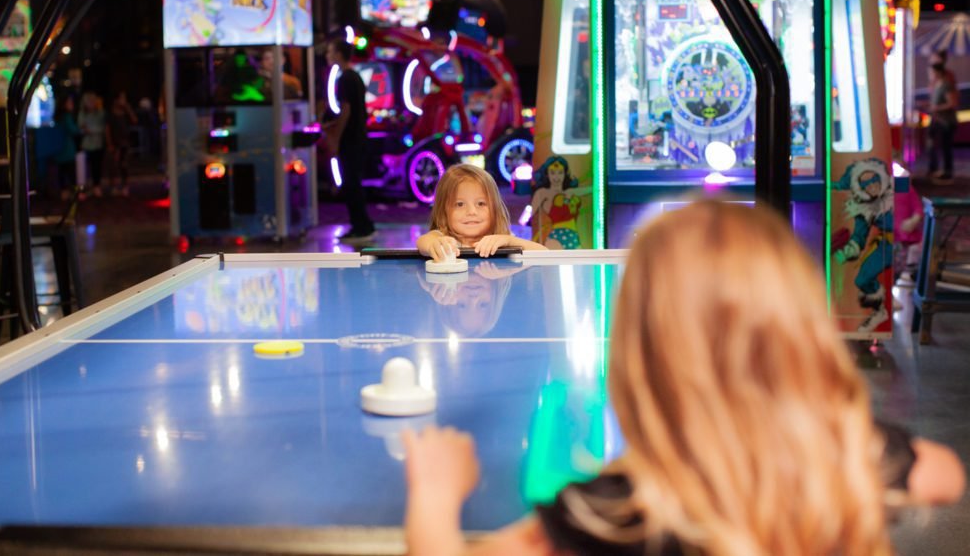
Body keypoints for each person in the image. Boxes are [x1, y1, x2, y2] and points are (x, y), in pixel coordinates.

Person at [404, 200, 965, 556]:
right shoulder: (838, 466)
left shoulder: (608, 513)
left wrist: (434, 494)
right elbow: (945, 475)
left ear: (639, 350)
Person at [417, 164, 546, 261]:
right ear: (443, 211)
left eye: (481, 204)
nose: (472, 212)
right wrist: (434, 245)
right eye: (460, 204)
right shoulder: (443, 237)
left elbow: (544, 254)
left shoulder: (500, 239)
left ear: (494, 209)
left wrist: (509, 241)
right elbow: (424, 242)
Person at [322, 39, 375, 242]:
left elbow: (346, 110)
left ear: (338, 54)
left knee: (351, 184)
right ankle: (362, 225)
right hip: (358, 136)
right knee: (353, 183)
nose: (327, 55)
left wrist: (336, 135)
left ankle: (361, 227)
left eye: (330, 51)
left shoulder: (345, 78)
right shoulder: (355, 76)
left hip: (351, 139)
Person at [924, 50, 958, 185]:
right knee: (935, 144)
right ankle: (937, 169)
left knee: (945, 147)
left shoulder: (946, 83)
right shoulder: (937, 84)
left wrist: (935, 108)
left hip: (946, 121)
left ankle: (947, 172)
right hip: (938, 120)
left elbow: (952, 103)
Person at [106, 91, 138, 196]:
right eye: (122, 98)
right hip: (115, 143)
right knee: (114, 165)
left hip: (124, 142)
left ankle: (125, 186)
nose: (123, 101)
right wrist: (110, 144)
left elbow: (135, 120)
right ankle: (113, 186)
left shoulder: (125, 113)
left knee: (124, 164)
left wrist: (128, 108)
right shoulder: (111, 114)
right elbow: (107, 130)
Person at [77, 91, 107, 197]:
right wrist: (91, 130)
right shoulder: (82, 114)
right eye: (89, 101)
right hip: (86, 145)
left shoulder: (100, 113)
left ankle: (96, 186)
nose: (91, 103)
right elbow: (82, 128)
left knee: (97, 166)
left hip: (98, 144)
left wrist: (91, 130)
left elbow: (102, 128)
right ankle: (84, 188)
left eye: (93, 101)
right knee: (85, 168)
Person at [54, 95, 80, 200]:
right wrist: (82, 130)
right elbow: (73, 130)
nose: (72, 104)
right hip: (67, 149)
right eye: (70, 102)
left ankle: (64, 192)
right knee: (71, 172)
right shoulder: (67, 116)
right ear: (64, 104)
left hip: (59, 149)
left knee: (62, 172)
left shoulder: (57, 117)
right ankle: (75, 193)